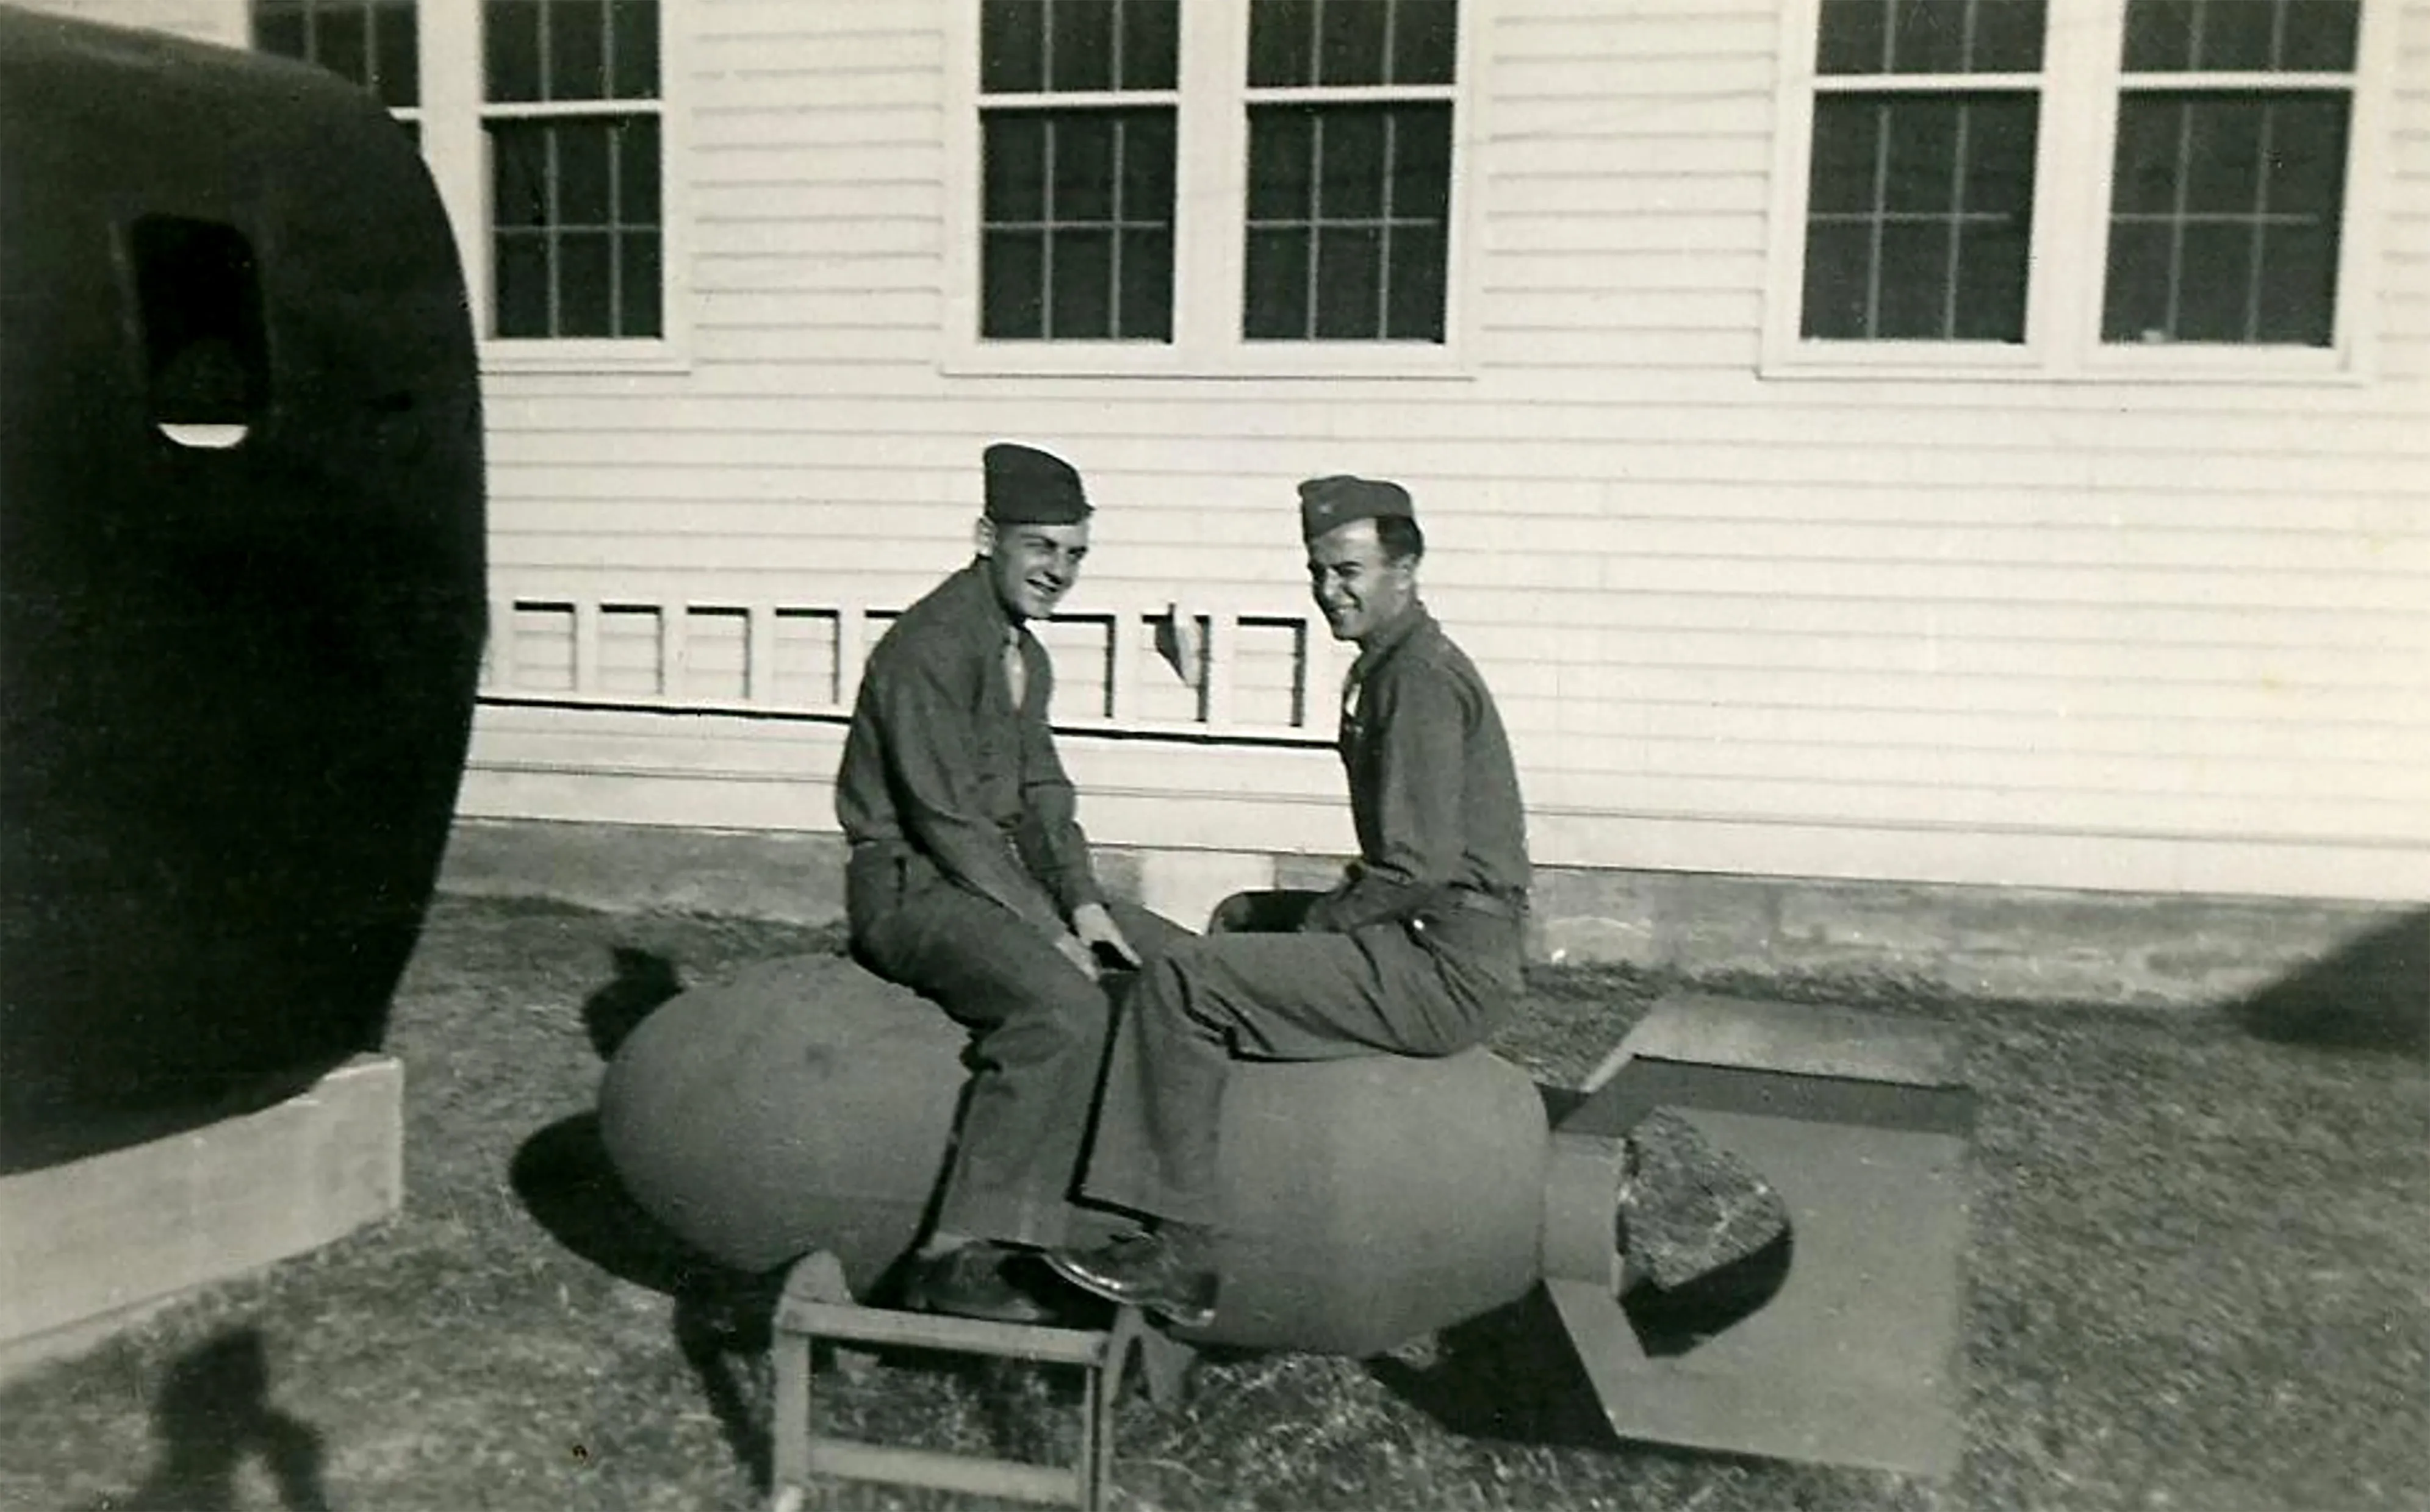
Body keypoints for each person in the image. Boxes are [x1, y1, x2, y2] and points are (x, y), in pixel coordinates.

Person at [1044, 475, 1530, 1327]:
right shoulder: (1392, 665)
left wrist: (1319, 928)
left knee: (1186, 982)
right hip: (1431, 934)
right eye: (1317, 572)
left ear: (1405, 568)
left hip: (1442, 964)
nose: (1328, 591)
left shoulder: (1414, 679)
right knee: (1237, 917)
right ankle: (1219, 1131)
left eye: (1348, 571)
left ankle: (1179, 1249)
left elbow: (1413, 865)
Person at [835, 441, 1187, 1324]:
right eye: (1040, 549)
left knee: (1177, 967)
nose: (1057, 572)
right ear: (987, 535)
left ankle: (1133, 1224)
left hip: (986, 879)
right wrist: (1047, 931)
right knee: (1061, 1007)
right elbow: (949, 824)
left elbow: (1041, 799)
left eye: (1073, 555)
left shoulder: (1022, 652)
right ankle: (955, 1253)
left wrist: (1087, 904)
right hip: (912, 888)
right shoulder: (927, 647)